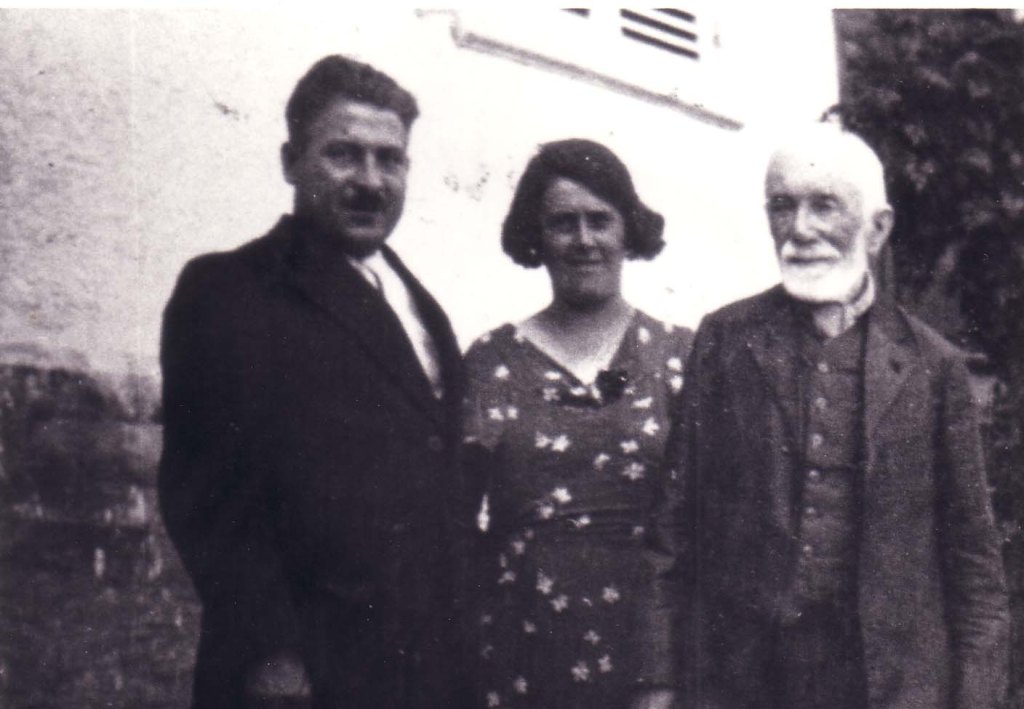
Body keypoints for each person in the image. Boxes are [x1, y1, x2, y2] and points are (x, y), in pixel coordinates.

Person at [158, 55, 473, 709]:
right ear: (291, 161)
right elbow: (209, 497)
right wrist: (272, 655)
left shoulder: (423, 308)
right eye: (343, 155)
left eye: (390, 159)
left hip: (425, 671)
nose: (370, 181)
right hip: (306, 675)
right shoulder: (232, 289)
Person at [669, 122, 1010, 708]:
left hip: (889, 685)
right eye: (782, 206)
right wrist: (657, 681)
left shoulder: (933, 366)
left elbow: (973, 562)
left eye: (824, 205)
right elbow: (674, 527)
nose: (801, 229)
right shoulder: (726, 340)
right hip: (748, 682)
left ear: (878, 228)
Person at [463, 139, 692, 709]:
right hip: (522, 650)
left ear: (628, 230)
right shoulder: (491, 361)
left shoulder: (681, 358)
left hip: (653, 656)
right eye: (563, 223)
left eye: (600, 220)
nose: (584, 239)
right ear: (536, 236)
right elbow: (451, 516)